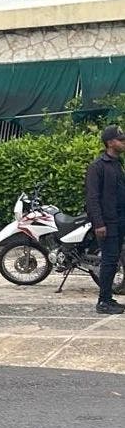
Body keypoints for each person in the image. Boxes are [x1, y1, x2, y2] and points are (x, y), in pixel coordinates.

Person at [85, 124, 125, 315]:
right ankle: (103, 301)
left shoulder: (117, 164)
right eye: (120, 140)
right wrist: (98, 223)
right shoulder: (97, 166)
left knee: (115, 259)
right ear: (110, 142)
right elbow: (92, 197)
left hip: (120, 220)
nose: (123, 143)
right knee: (109, 261)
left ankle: (109, 298)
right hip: (107, 222)